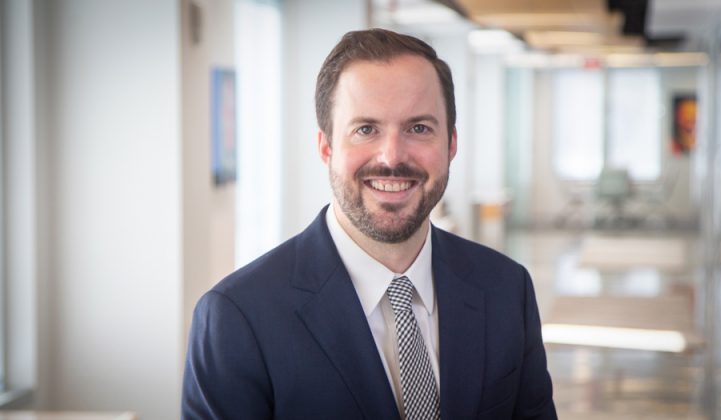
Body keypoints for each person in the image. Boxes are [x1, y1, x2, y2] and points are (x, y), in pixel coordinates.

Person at [182, 28, 557, 420]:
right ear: (326, 147)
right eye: (365, 129)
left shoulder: (506, 289)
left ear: (451, 144)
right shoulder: (237, 317)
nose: (392, 157)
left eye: (418, 128)